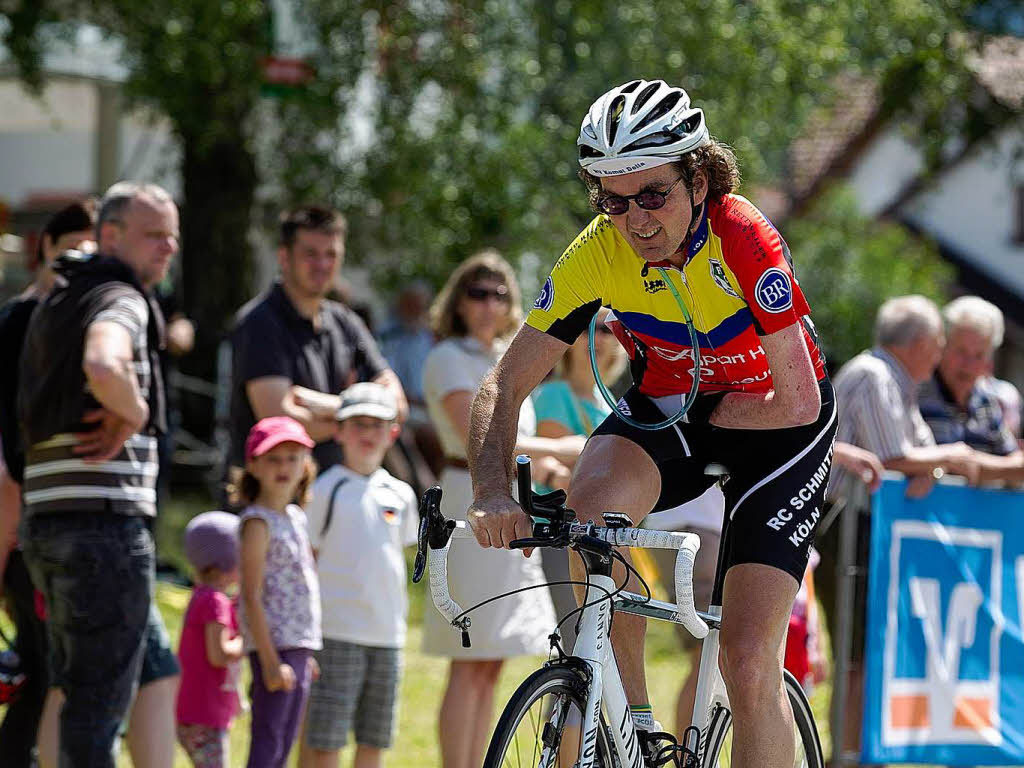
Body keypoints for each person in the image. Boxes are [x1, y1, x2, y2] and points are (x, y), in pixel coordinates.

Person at [467, 79, 838, 768]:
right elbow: (505, 381)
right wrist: (490, 491)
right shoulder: (597, 253)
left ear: (698, 179)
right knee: (587, 522)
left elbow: (798, 400)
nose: (635, 219)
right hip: (676, 406)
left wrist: (706, 418)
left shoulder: (743, 238)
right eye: (614, 200)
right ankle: (633, 737)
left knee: (748, 658)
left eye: (652, 195)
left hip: (780, 423)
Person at [18, 182, 177, 767]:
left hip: (48, 524)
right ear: (109, 236)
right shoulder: (121, 297)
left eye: (173, 236)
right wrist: (133, 411)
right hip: (104, 531)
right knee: (96, 714)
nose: (167, 248)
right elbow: (104, 361)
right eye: (153, 234)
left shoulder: (55, 299)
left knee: (75, 696)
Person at [423, 250, 584, 768]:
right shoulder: (448, 357)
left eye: (499, 293)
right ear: (458, 300)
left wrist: (556, 473)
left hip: (516, 502)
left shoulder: (511, 358)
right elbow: (485, 438)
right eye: (477, 292)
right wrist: (566, 449)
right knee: (467, 657)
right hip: (467, 496)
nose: (489, 303)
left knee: (491, 662)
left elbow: (521, 448)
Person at [820, 294, 991, 764]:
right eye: (938, 343)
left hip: (864, 529)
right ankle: (846, 755)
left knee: (869, 652)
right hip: (842, 529)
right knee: (853, 656)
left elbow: (917, 452)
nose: (939, 355)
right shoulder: (875, 375)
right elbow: (895, 456)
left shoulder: (895, 380)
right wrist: (956, 460)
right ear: (917, 343)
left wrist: (934, 466)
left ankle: (858, 752)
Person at [0, 200, 95, 768]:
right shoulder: (16, 323)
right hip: (21, 521)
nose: (82, 264)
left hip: (69, 519)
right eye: (72, 251)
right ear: (45, 250)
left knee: (52, 669)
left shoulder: (93, 319)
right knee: (41, 666)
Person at [229, 206, 407, 477]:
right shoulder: (259, 323)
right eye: (310, 254)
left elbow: (398, 405)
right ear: (284, 257)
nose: (323, 265)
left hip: (335, 495)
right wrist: (366, 416)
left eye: (331, 254)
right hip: (271, 502)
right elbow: (281, 422)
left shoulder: (345, 321)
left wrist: (326, 405)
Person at [301, 383, 417, 768]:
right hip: (335, 633)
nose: (367, 433)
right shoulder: (324, 489)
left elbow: (398, 552)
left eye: (377, 424)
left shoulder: (401, 494)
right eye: (358, 423)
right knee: (326, 738)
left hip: (387, 635)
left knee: (375, 738)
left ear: (393, 433)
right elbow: (308, 559)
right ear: (339, 430)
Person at [235, 416, 322, 768]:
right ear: (253, 465)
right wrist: (270, 662)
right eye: (273, 458)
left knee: (286, 741)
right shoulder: (257, 523)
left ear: (305, 465)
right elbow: (250, 595)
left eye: (292, 457)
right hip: (274, 647)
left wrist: (306, 652)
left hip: (298, 646)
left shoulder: (296, 516)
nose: (284, 467)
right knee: (268, 740)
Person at [919, 295, 1024, 483]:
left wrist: (972, 463)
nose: (968, 364)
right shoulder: (916, 394)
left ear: (989, 361)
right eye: (961, 351)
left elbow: (1015, 463)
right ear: (942, 346)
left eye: (979, 355)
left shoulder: (986, 401)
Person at [176, 511, 244, 768]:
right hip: (204, 716)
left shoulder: (205, 597)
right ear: (228, 560)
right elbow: (218, 654)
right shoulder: (214, 602)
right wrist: (248, 641)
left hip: (196, 712)